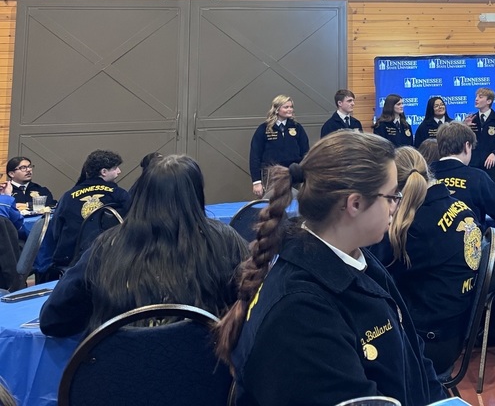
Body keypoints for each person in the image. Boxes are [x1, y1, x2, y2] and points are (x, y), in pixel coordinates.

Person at [215, 131, 445, 406]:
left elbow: (414, 356)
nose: (396, 205)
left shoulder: (360, 259)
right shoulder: (299, 312)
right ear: (355, 204)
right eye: (392, 196)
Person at [40, 155, 248, 337]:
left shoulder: (106, 247)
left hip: (115, 374)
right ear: (197, 195)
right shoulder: (225, 240)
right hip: (208, 372)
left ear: (141, 194)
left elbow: (54, 321)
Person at [378, 148, 480, 373]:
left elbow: (375, 271)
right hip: (454, 331)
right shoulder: (459, 206)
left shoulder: (411, 228)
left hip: (427, 343)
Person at [431, 122, 495, 321]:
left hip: (429, 269)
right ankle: (491, 328)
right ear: (467, 146)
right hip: (467, 266)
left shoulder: (422, 176)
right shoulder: (476, 177)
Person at [34, 150, 130, 280]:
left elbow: (56, 231)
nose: (119, 172)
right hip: (111, 258)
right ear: (104, 172)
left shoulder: (68, 196)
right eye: (115, 168)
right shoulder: (119, 195)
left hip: (71, 260)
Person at [249, 95, 309, 198]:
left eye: (291, 107)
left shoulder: (296, 127)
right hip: (272, 174)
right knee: (272, 204)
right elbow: (255, 155)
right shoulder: (265, 129)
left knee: (294, 203)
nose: (290, 109)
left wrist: (305, 174)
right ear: (276, 109)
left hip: (293, 172)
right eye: (286, 107)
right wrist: (256, 181)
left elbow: (306, 152)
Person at [464, 88, 495, 184]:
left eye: (480, 97)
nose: (476, 99)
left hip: (489, 167)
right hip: (472, 166)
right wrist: (465, 127)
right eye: (476, 97)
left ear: (489, 101)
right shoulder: (471, 119)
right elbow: (461, 141)